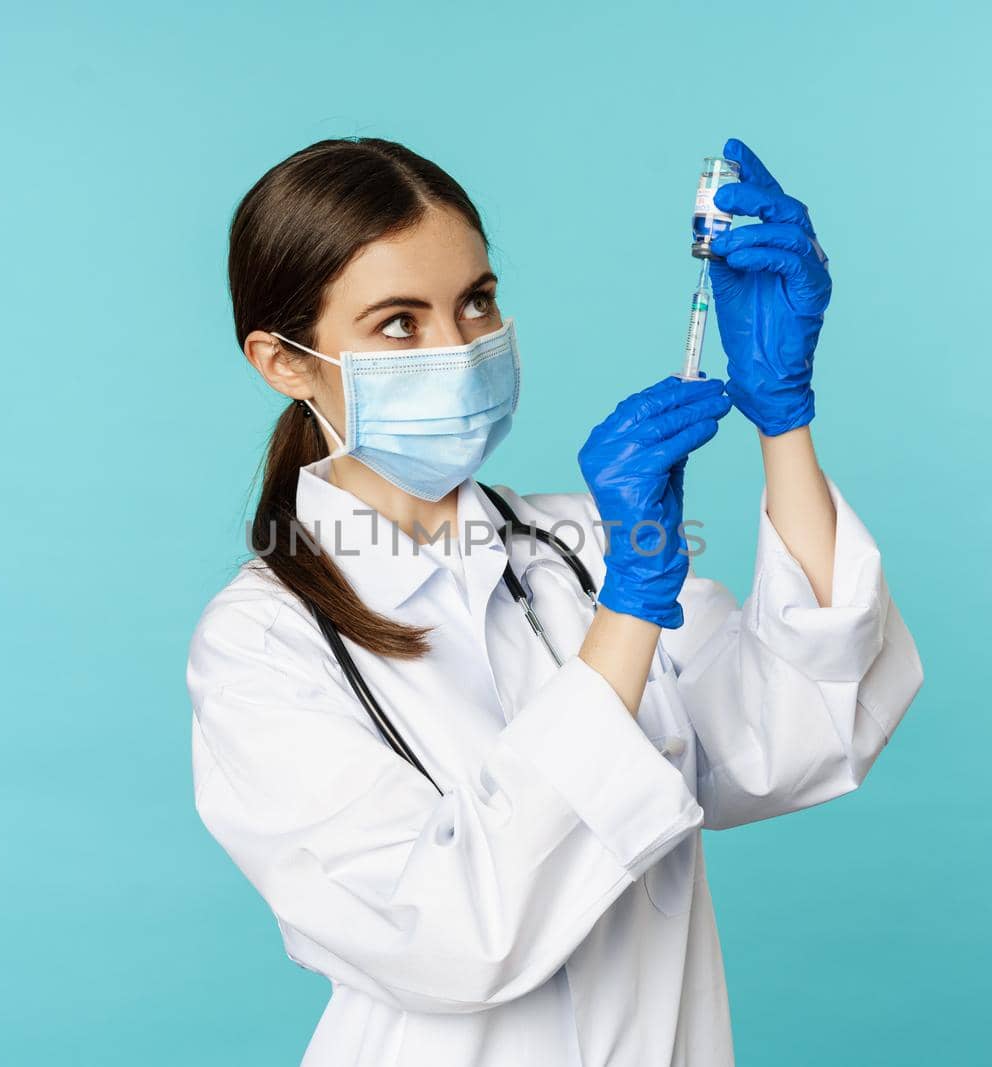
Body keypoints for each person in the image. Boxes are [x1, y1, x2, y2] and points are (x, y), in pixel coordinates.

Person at [186, 134, 924, 1067]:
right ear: (284, 362)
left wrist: (783, 418)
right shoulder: (262, 643)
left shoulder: (581, 546)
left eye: (476, 302)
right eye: (399, 324)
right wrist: (627, 607)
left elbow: (799, 733)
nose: (459, 348)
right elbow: (455, 938)